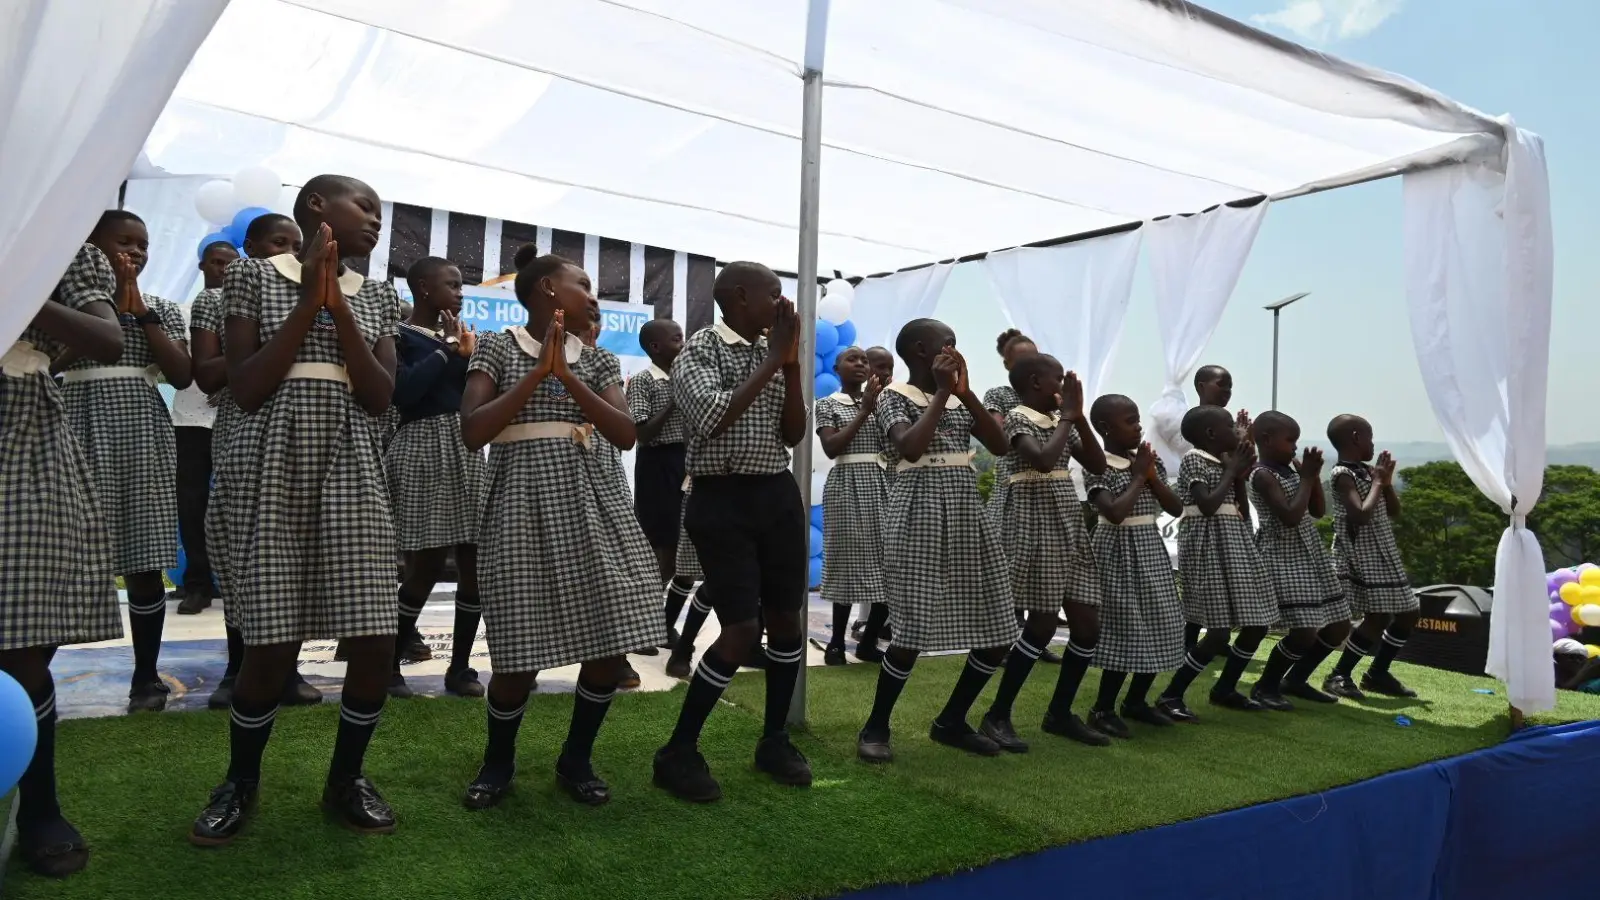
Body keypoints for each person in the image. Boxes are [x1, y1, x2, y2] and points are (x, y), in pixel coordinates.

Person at [189, 174, 402, 844]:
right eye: (363, 206)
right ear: (318, 205)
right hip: (271, 464)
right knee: (271, 642)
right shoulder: (252, 277)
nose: (374, 219)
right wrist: (310, 301)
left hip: (351, 465)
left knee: (373, 635)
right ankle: (239, 782)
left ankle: (347, 779)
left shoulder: (379, 296)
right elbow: (246, 385)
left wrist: (337, 306)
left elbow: (378, 396)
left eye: (378, 212)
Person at [456, 252, 662, 808]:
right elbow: (473, 430)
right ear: (548, 288)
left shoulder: (595, 361)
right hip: (520, 502)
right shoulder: (498, 347)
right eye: (584, 285)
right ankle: (498, 763)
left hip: (594, 500)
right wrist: (539, 374)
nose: (593, 296)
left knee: (606, 638)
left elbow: (624, 434)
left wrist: (567, 373)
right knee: (518, 652)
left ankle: (576, 759)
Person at [651, 261, 812, 802]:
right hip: (721, 499)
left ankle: (774, 740)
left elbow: (793, 432)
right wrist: (772, 360)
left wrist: (789, 366)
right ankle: (678, 751)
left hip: (776, 493)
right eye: (775, 294)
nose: (782, 304)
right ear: (741, 298)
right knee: (742, 630)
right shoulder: (699, 350)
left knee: (787, 622)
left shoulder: (778, 349)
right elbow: (711, 417)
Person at [2, 242, 125, 876]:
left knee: (21, 645)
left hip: (23, 435)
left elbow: (107, 339)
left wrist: (21, 293)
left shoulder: (59, 234)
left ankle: (39, 808)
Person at [856, 318, 1017, 762]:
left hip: (965, 509)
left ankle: (952, 720)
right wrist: (944, 393)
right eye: (949, 343)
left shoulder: (961, 399)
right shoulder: (893, 396)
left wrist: (962, 392)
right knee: (911, 628)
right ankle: (876, 726)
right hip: (917, 509)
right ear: (924, 351)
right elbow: (909, 447)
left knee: (999, 626)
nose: (956, 350)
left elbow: (1000, 446)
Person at [60, 210, 191, 713]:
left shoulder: (158, 305)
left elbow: (181, 374)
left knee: (144, 550)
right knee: (64, 547)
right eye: (123, 242)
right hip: (75, 418)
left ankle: (145, 675)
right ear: (90, 247)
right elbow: (51, 363)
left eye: (143, 244)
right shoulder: (58, 304)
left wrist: (142, 315)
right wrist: (104, 314)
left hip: (140, 426)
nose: (135, 253)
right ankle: (34, 668)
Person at [197, 214, 321, 712]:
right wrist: (260, 355)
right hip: (245, 425)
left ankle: (285, 667)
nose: (288, 251)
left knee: (287, 551)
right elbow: (208, 374)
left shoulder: (314, 293)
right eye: (277, 242)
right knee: (246, 546)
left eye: (296, 244)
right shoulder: (219, 296)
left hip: (299, 428)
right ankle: (237, 666)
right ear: (249, 246)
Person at [978, 354, 1107, 751]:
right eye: (1058, 379)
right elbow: (1043, 459)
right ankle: (997, 715)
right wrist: (1068, 417)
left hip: (1066, 520)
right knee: (1042, 625)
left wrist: (1078, 416)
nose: (1064, 386)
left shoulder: (1059, 420)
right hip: (1035, 522)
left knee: (1087, 625)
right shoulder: (1017, 417)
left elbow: (1098, 464)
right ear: (1036, 382)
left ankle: (1060, 712)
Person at [385, 256, 487, 700]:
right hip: (421, 446)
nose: (460, 293)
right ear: (424, 288)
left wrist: (465, 354)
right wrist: (446, 349)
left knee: (475, 563)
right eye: (453, 285)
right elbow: (403, 391)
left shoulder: (466, 339)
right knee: (423, 564)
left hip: (464, 448)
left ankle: (461, 667)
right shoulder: (399, 334)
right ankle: (389, 662)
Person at [1155, 406, 1278, 720]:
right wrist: (1231, 470)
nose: (1235, 432)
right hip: (1208, 547)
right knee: (1218, 632)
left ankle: (1225, 688)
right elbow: (1207, 505)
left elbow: (1238, 505)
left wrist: (1237, 473)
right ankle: (1171, 695)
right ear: (1210, 434)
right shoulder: (1194, 459)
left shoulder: (1224, 461)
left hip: (1235, 544)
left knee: (1257, 623)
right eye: (1229, 426)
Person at [1080, 396, 1186, 738]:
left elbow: (1174, 507)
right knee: (1126, 628)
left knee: (1164, 622)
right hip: (1117, 551)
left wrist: (1151, 477)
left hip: (1149, 547)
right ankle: (1103, 708)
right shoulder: (1099, 464)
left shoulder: (1143, 460)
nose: (1139, 426)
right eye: (1130, 420)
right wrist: (1140, 478)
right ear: (1106, 428)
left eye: (1138, 419)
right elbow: (1112, 512)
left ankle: (1136, 701)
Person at [1245, 411, 1353, 707]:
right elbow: (1290, 516)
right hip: (1283, 556)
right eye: (1290, 439)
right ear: (1266, 440)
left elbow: (1317, 510)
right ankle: (1266, 686)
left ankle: (1296, 679)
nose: (1295, 446)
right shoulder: (1262, 474)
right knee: (1303, 631)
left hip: (1311, 554)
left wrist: (1312, 477)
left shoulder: (1292, 468)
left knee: (1339, 625)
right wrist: (1306, 478)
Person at [1321, 415, 1419, 699]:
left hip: (1383, 550)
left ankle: (1378, 672)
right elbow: (1360, 515)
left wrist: (1385, 483)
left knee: (1409, 612)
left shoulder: (1366, 471)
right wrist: (1377, 482)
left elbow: (1393, 511)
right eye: (1369, 437)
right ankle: (1340, 674)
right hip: (1360, 553)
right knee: (1377, 616)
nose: (1373, 443)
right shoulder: (1342, 474)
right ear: (1355, 437)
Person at [981, 329, 1063, 665]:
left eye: (1035, 355)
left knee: (1042, 568)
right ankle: (1004, 639)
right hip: (1013, 487)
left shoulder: (1055, 402)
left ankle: (1035, 640)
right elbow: (998, 435)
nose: (1032, 363)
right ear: (1008, 365)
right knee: (1012, 566)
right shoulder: (999, 395)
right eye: (1022, 358)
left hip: (1051, 493)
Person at [172, 240, 239, 616]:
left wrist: (226, 383)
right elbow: (181, 363)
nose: (223, 271)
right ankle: (197, 583)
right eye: (216, 263)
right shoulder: (182, 310)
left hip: (235, 416)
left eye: (230, 265)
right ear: (202, 266)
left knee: (237, 499)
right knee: (193, 502)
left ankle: (236, 580)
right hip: (191, 418)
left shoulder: (254, 310)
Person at [815, 346, 888, 665]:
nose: (860, 364)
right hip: (848, 484)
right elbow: (831, 447)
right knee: (846, 562)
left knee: (889, 566)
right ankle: (834, 642)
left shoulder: (886, 404)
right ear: (836, 367)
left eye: (865, 361)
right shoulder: (828, 404)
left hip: (884, 484)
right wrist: (864, 411)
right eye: (852, 359)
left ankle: (869, 640)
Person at [628, 319, 695, 655]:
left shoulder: (691, 377)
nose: (684, 343)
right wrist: (674, 400)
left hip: (688, 464)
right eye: (677, 338)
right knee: (661, 552)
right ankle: (642, 628)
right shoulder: (643, 381)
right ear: (655, 347)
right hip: (658, 466)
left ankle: (662, 625)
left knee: (684, 554)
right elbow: (641, 433)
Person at [1185, 364, 1251, 649]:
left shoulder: (1224, 440)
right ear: (1201, 386)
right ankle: (1189, 647)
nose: (1227, 391)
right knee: (1202, 596)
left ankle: (1211, 643)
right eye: (1221, 385)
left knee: (1222, 601)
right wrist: (1232, 468)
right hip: (1202, 530)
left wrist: (1237, 462)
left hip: (1229, 530)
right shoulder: (1194, 441)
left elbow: (1239, 493)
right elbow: (1206, 500)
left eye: (1230, 387)